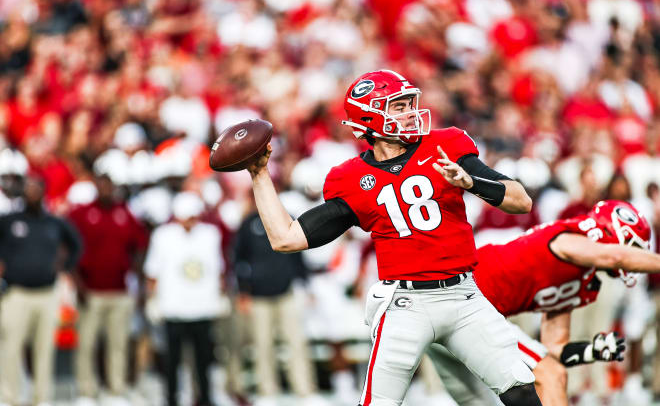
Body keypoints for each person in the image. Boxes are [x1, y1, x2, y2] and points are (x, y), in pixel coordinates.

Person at [245, 69, 541, 406]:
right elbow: (286, 238)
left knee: (521, 390)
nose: (410, 112)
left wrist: (472, 183)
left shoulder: (445, 145)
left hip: (463, 296)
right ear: (369, 119)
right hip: (405, 304)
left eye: (408, 104)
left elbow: (521, 200)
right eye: (398, 106)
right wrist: (259, 175)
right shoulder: (351, 179)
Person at [427, 199, 659, 406]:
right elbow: (615, 256)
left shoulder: (581, 279)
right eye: (631, 246)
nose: (635, 257)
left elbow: (554, 346)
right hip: (465, 303)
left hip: (458, 310)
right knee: (550, 374)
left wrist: (592, 351)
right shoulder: (569, 238)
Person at [0, 174, 82, 406]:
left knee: (44, 349)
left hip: (47, 293)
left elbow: (76, 245)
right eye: (29, 189)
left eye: (37, 189)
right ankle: (9, 398)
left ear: (44, 192)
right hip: (16, 294)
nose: (32, 193)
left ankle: (41, 398)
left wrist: (63, 267)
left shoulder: (53, 223)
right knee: (11, 348)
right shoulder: (9, 220)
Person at [68, 173, 149, 405]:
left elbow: (140, 243)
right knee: (86, 344)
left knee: (118, 344)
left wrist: (137, 271)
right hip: (90, 291)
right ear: (96, 187)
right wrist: (78, 282)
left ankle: (116, 390)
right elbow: (68, 247)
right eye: (101, 186)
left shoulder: (124, 213)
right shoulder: (83, 214)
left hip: (120, 290)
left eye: (108, 186)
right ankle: (86, 391)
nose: (105, 190)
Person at [233, 200, 325, 406]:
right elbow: (239, 259)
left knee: (296, 342)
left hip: (286, 292)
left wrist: (306, 284)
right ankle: (267, 393)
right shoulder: (249, 223)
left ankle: (305, 391)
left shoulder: (287, 215)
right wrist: (243, 292)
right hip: (258, 296)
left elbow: (298, 254)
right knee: (262, 344)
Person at [143, 192, 224, 406]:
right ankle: (171, 399)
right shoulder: (163, 236)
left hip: (202, 308)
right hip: (174, 308)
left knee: (203, 360)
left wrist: (220, 295)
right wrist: (152, 299)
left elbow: (218, 269)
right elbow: (152, 272)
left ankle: (205, 398)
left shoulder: (210, 234)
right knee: (171, 361)